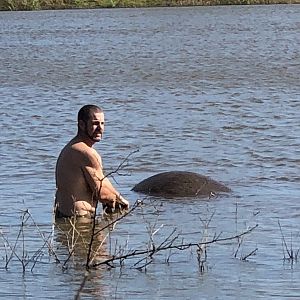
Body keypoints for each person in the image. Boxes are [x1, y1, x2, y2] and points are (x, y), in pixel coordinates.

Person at [54, 104, 129, 219]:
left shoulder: (73, 148)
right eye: (95, 123)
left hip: (62, 217)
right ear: (82, 124)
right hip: (79, 222)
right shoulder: (86, 153)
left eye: (102, 123)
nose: (100, 128)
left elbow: (102, 179)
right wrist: (122, 202)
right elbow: (102, 194)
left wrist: (118, 196)